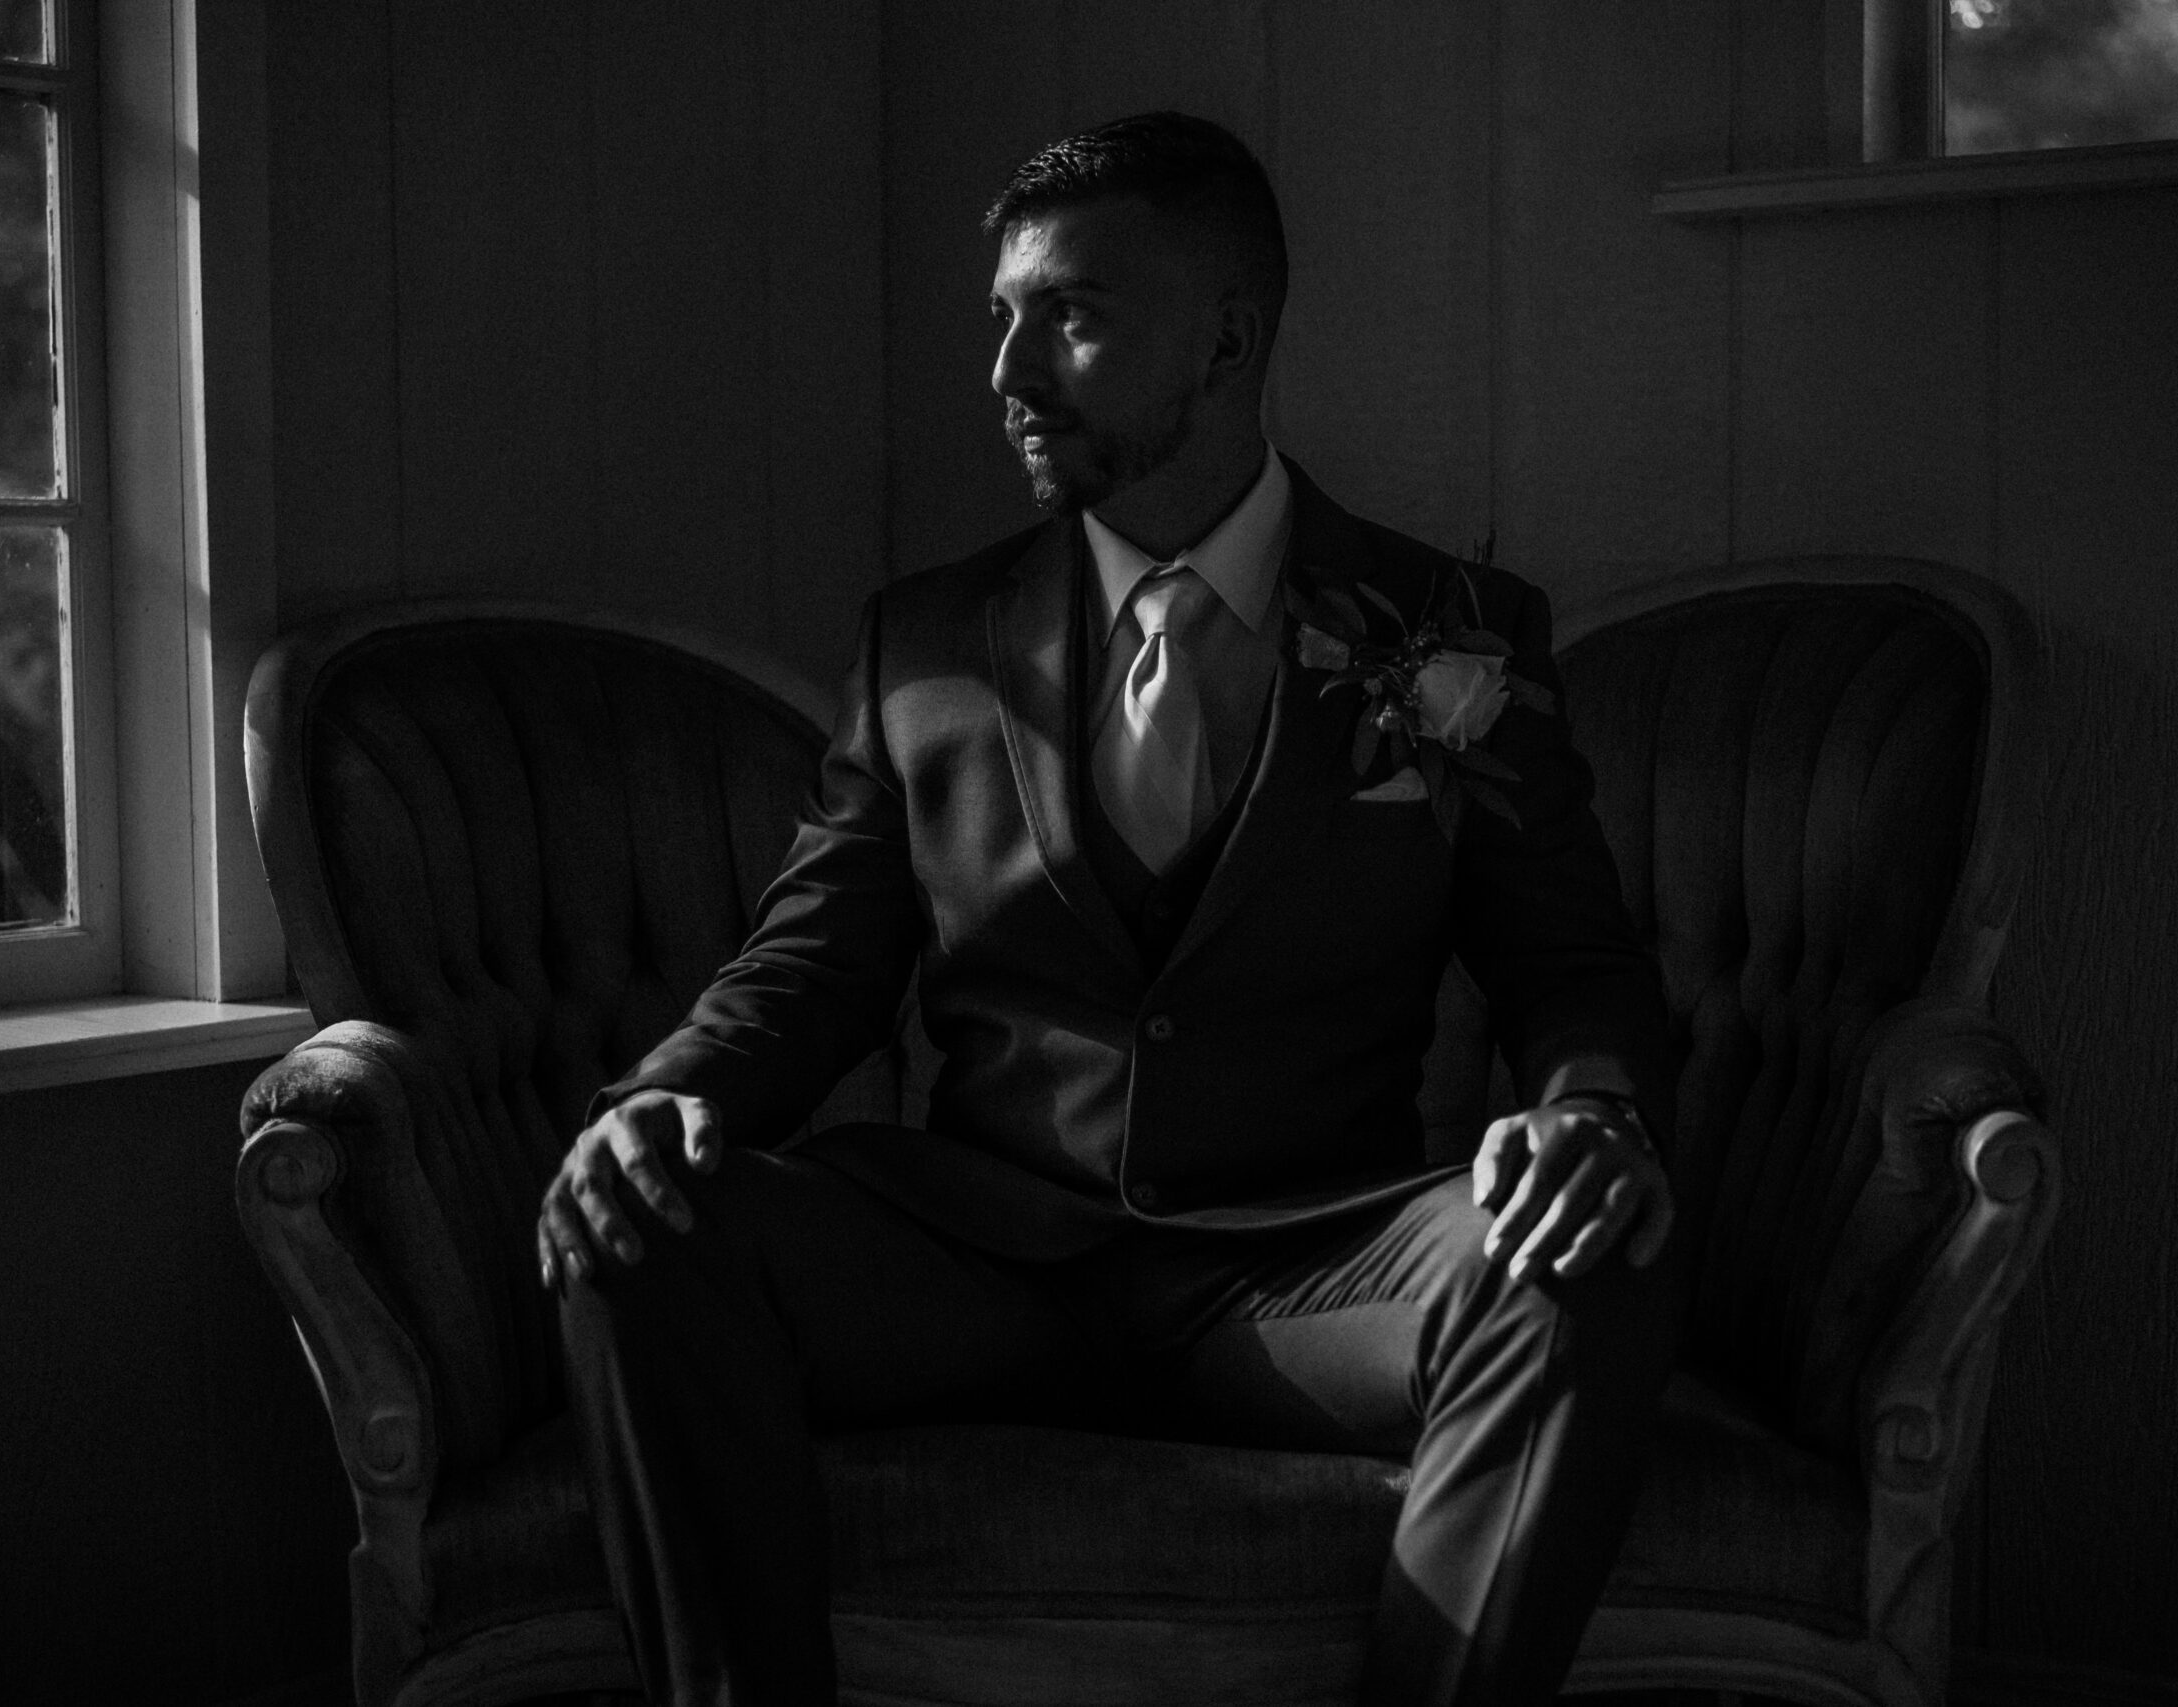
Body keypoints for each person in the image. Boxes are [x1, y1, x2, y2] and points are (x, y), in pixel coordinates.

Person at [536, 111, 1682, 1707]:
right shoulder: (922, 641)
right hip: (982, 1261)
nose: (1007, 372)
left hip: (1306, 1272)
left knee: (1587, 1256)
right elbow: (808, 969)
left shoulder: (1453, 641)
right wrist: (663, 1100)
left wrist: (1593, 1115)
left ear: (1228, 337)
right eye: (1000, 316)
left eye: (1066, 316)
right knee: (634, 1228)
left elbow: (1573, 964)